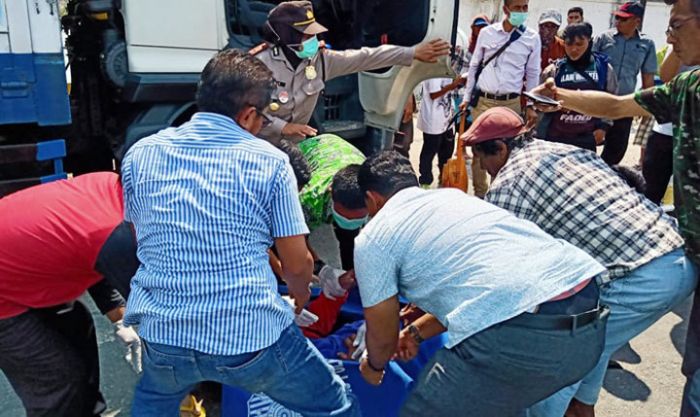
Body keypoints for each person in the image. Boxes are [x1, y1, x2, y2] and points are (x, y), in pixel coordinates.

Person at [121, 49, 360, 417]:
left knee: (153, 407)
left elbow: (145, 240)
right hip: (249, 338)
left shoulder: (140, 153)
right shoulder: (270, 161)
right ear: (249, 114)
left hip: (163, 335)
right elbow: (298, 264)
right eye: (263, 119)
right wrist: (297, 302)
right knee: (335, 405)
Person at [462, 107, 697, 417]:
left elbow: (493, 270)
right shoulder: (562, 150)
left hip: (641, 276)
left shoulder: (510, 181)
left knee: (558, 363)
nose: (480, 165)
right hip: (676, 254)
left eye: (482, 156)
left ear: (502, 148)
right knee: (592, 353)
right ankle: (582, 406)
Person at [529, 0, 700, 412]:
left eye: (676, 25)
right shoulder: (685, 85)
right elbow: (619, 105)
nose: (668, 35)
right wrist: (561, 95)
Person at [352, 150, 609, 416]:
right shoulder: (452, 198)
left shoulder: (374, 238)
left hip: (524, 337)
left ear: (372, 199)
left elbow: (382, 336)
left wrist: (374, 368)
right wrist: (415, 333)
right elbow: (485, 290)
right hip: (590, 326)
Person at [0, 172, 140, 417]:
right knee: (58, 379)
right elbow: (163, 314)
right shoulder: (120, 232)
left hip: (24, 268)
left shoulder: (113, 186)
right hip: (6, 290)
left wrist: (119, 317)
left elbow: (92, 249)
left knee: (75, 324)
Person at [253, 0, 450, 144]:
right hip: (256, 145)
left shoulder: (320, 60)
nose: (314, 38)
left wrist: (413, 53)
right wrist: (283, 127)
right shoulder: (259, 65)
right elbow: (241, 113)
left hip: (292, 147)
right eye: (307, 35)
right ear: (287, 35)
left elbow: (366, 57)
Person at [463, 0, 541, 198]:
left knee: (507, 153)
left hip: (511, 104)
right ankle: (481, 196)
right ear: (506, 9)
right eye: (517, 8)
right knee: (480, 151)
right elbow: (474, 66)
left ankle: (500, 194)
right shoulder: (487, 33)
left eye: (525, 8)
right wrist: (466, 97)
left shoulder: (532, 38)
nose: (522, 12)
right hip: (485, 101)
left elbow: (532, 73)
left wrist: (531, 104)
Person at [592, 1, 657, 165]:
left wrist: (645, 109)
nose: (618, 22)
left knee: (617, 150)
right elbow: (589, 67)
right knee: (589, 143)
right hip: (598, 102)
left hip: (624, 105)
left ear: (637, 21)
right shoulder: (603, 39)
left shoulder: (646, 44)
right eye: (617, 18)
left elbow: (648, 79)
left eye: (623, 19)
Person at [538, 22, 618, 151]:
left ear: (590, 42)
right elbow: (540, 102)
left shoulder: (604, 69)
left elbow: (612, 100)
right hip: (555, 138)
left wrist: (603, 127)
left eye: (579, 44)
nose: (574, 49)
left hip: (587, 138)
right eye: (569, 44)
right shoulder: (554, 70)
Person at [643, 45, 699, 204]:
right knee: (650, 191)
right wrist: (680, 41)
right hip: (666, 130)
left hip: (695, 138)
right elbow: (666, 75)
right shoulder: (680, 39)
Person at [416, 76, 464, 187]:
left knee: (447, 152)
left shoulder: (449, 66)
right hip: (433, 120)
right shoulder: (434, 71)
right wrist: (453, 85)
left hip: (447, 118)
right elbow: (433, 94)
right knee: (429, 151)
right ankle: (425, 181)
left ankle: (444, 179)